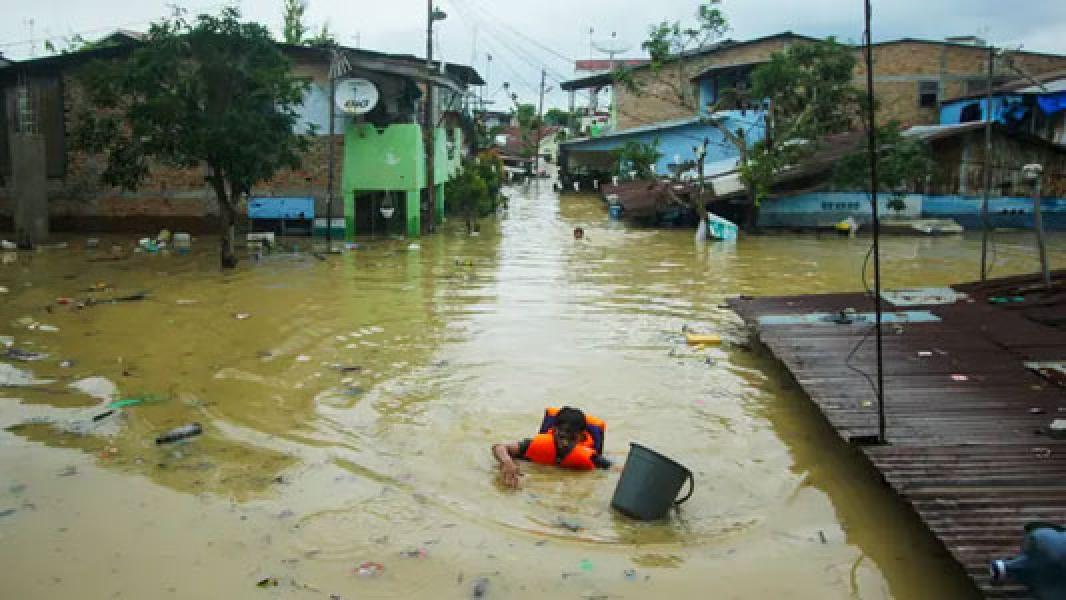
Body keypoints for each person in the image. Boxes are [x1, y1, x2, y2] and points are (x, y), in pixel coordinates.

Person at [492, 407, 611, 488]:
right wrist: (507, 462)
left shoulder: (592, 458)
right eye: (561, 434)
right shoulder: (537, 444)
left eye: (571, 436)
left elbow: (614, 470)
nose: (564, 441)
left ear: (581, 435)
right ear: (554, 430)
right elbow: (499, 447)